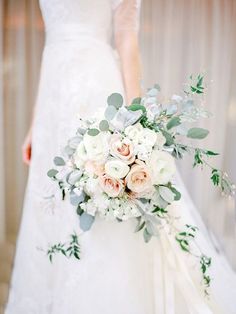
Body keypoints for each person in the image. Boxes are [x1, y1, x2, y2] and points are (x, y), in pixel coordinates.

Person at [5, 1, 236, 313]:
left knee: (101, 194)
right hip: (52, 102)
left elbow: (127, 40)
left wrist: (138, 125)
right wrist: (36, 123)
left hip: (96, 93)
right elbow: (53, 44)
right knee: (52, 206)